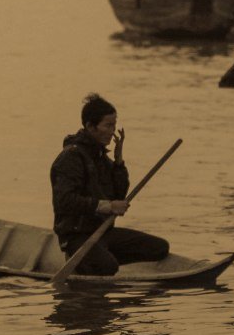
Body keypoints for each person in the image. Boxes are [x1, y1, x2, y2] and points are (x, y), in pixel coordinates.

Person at [50, 93, 169, 275]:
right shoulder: (71, 157)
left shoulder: (100, 157)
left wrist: (119, 162)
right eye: (108, 125)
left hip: (102, 233)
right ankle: (87, 260)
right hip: (76, 236)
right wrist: (107, 206)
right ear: (90, 126)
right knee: (107, 267)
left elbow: (119, 195)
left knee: (159, 248)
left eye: (114, 124)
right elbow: (64, 201)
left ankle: (95, 257)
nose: (113, 131)